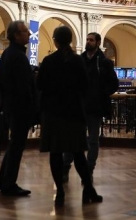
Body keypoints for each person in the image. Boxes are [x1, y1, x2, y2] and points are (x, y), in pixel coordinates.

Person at [37, 26, 103, 207]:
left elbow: (40, 85)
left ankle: (60, 191)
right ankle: (89, 189)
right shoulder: (77, 60)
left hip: (53, 113)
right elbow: (85, 85)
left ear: (55, 41)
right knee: (78, 153)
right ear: (70, 40)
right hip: (73, 112)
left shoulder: (49, 61)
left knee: (56, 153)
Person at [63, 32, 118, 181]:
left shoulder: (104, 62)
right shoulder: (78, 60)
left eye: (91, 40)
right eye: (87, 39)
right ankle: (65, 168)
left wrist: (101, 94)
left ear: (98, 42)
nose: (88, 42)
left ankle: (89, 170)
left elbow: (114, 84)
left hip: (95, 108)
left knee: (93, 140)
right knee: (73, 138)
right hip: (79, 106)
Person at [0, 20, 35, 197]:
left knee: (14, 145)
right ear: (16, 35)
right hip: (19, 108)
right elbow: (23, 86)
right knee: (17, 146)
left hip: (11, 106)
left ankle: (2, 180)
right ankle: (9, 184)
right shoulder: (17, 56)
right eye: (25, 31)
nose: (29, 34)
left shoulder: (8, 53)